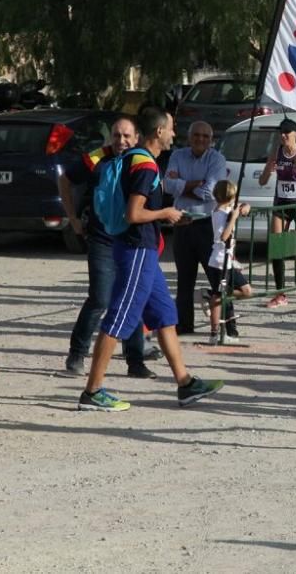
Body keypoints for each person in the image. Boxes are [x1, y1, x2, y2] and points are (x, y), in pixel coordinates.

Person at [78, 106, 223, 411]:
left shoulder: (137, 160)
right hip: (135, 251)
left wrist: (166, 219)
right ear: (159, 132)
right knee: (118, 318)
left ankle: (184, 383)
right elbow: (134, 214)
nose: (174, 134)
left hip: (144, 251)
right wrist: (166, 213)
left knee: (165, 315)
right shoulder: (145, 165)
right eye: (171, 128)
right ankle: (92, 392)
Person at [57, 117, 157, 379]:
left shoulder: (141, 160)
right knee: (100, 298)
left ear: (136, 138)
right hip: (101, 239)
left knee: (131, 299)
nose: (120, 141)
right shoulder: (98, 157)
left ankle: (135, 361)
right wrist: (73, 218)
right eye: (116, 135)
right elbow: (65, 180)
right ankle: (76, 355)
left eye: (126, 136)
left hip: (130, 240)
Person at [163, 121, 230, 335]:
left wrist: (182, 185)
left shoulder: (216, 159)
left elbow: (210, 192)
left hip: (207, 224)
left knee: (217, 277)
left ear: (211, 140)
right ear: (189, 137)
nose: (200, 139)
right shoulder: (177, 156)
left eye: (205, 136)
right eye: (196, 135)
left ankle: (228, 326)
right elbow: (167, 185)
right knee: (184, 279)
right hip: (182, 223)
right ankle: (184, 324)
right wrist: (195, 183)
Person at [258, 117, 296, 308]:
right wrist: (269, 169)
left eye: (286, 132)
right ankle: (281, 293)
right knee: (277, 247)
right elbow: (262, 182)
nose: (283, 136)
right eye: (280, 132)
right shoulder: (277, 151)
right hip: (281, 205)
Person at [204, 181, 252, 344]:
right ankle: (214, 333)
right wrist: (234, 219)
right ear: (230, 197)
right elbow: (223, 237)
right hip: (219, 262)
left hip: (229, 262)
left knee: (246, 291)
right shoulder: (219, 214)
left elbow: (241, 207)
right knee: (218, 298)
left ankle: (211, 295)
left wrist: (244, 207)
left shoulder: (227, 210)